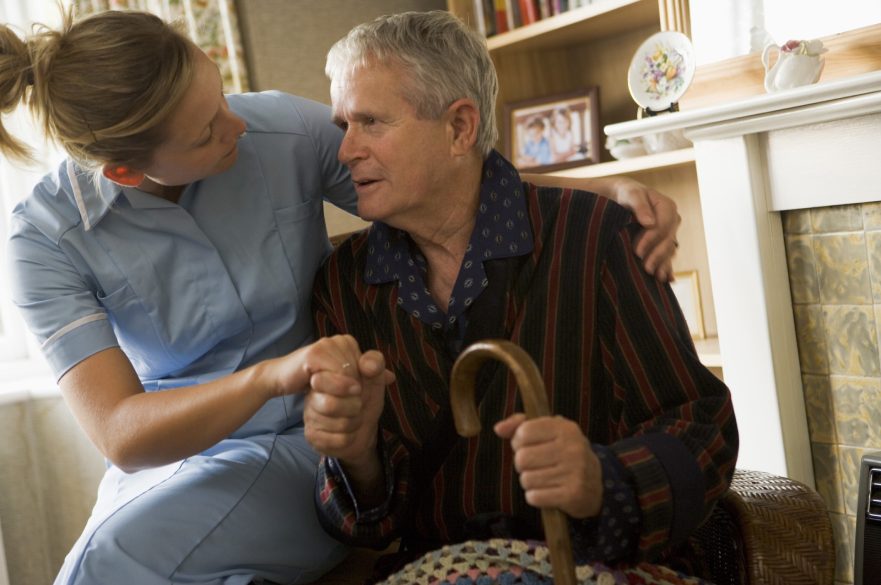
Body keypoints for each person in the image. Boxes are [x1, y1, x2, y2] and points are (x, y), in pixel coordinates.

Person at [1, 7, 683, 585]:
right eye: (208, 129)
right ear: (124, 169)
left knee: (111, 562)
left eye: (222, 99)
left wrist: (607, 195)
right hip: (174, 461)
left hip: (313, 439)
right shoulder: (44, 238)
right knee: (106, 559)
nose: (236, 125)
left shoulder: (274, 131)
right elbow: (122, 432)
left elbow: (451, 166)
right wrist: (270, 374)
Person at [304, 10, 739, 584]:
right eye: (344, 127)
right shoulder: (343, 283)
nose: (346, 151)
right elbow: (364, 525)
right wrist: (356, 458)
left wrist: (600, 480)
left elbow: (703, 427)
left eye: (371, 123)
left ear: (460, 128)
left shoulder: (598, 238)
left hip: (601, 564)